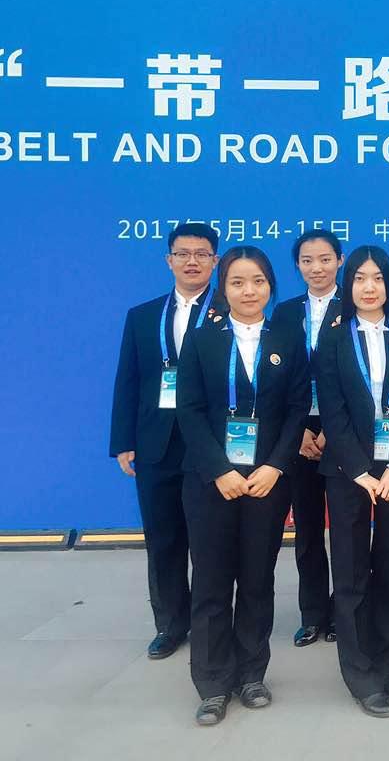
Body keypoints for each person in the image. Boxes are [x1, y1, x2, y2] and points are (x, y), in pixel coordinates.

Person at [176, 246, 308, 725]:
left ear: (270, 286)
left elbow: (297, 409)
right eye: (237, 282)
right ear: (223, 287)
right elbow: (189, 410)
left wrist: (275, 466)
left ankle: (252, 673)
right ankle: (212, 683)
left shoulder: (288, 337)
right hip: (211, 482)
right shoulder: (201, 339)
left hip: (267, 483)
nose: (248, 291)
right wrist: (219, 470)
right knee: (211, 582)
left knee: (256, 580)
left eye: (257, 282)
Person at [315, 245, 389, 718]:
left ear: (388, 283)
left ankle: (383, 662)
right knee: (352, 573)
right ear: (348, 284)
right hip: (347, 473)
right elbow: (333, 413)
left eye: (377, 278)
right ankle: (360, 674)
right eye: (359, 278)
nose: (369, 287)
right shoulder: (333, 339)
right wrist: (359, 471)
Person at [109, 222, 220, 661]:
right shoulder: (142, 316)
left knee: (209, 541)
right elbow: (128, 380)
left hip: (211, 446)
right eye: (183, 253)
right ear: (169, 260)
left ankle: (212, 623)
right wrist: (123, 440)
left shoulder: (231, 311)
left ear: (215, 260)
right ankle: (170, 624)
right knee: (163, 538)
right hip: (157, 444)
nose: (192, 261)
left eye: (201, 253)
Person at [269, 228, 344, 647]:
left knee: (348, 529)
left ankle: (345, 611)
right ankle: (313, 613)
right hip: (297, 429)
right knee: (308, 528)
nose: (317, 268)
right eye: (307, 261)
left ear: (339, 261)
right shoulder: (284, 312)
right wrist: (297, 430)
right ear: (298, 266)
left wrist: (334, 428)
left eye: (325, 259)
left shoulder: (355, 305)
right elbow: (275, 379)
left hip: (344, 430)